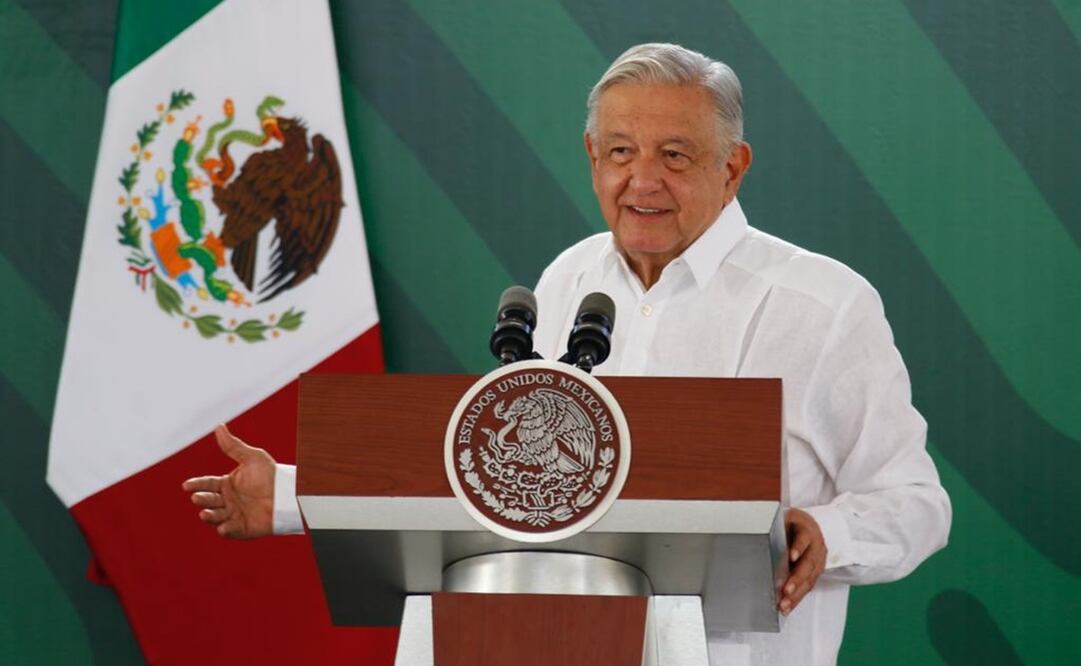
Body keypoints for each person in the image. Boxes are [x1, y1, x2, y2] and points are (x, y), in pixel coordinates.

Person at [184, 43, 951, 665]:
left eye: (674, 155)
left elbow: (917, 504)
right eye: (619, 151)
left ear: (732, 166)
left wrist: (826, 534)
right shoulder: (567, 282)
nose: (641, 180)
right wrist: (292, 495)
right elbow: (510, 486)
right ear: (591, 156)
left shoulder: (821, 305)